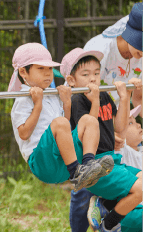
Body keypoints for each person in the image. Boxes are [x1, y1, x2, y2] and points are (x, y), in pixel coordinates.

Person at [67, 2, 143, 232]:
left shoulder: (140, 57)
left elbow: (137, 98)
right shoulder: (100, 49)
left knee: (124, 186)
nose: (141, 53)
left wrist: (122, 124)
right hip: (92, 119)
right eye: (140, 45)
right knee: (85, 185)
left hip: (116, 117)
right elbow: (80, 88)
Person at [9, 43, 114, 193]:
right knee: (60, 123)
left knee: (88, 120)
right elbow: (24, 134)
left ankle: (88, 164)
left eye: (50, 69)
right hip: (43, 162)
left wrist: (66, 104)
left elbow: (66, 127)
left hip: (64, 159)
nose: (47, 73)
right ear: (23, 72)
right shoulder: (23, 98)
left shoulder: (51, 94)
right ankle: (77, 173)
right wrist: (37, 105)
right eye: (41, 68)